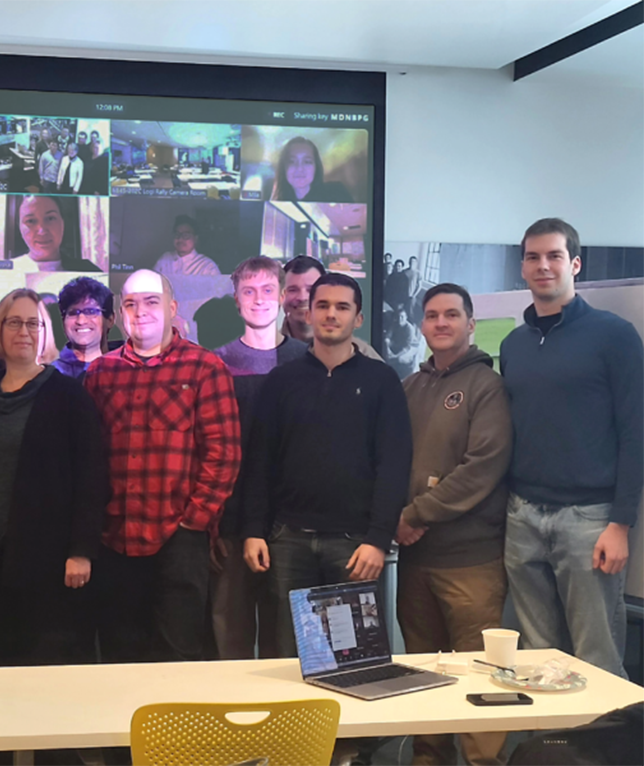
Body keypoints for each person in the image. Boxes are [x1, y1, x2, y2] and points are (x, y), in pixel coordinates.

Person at [501, 217, 644, 679]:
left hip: (590, 520)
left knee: (596, 662)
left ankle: (607, 752)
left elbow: (635, 430)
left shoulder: (614, 335)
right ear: (522, 267)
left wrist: (621, 523)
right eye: (533, 257)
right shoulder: (513, 344)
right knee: (539, 666)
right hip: (522, 516)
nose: (543, 266)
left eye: (554, 256)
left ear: (575, 264)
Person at [242, 272, 412, 658]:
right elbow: (259, 461)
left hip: (354, 545)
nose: (331, 314)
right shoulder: (281, 381)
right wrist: (253, 530)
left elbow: (394, 463)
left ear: (358, 318)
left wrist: (378, 538)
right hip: (288, 541)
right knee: (290, 654)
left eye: (342, 307)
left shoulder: (382, 381)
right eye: (322, 306)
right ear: (309, 312)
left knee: (355, 657)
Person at [84, 269, 241, 662]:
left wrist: (195, 520)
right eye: (131, 304)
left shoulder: (205, 368)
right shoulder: (100, 373)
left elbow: (224, 452)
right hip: (114, 538)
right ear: (119, 314)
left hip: (179, 537)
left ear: (171, 308)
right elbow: (87, 456)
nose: (141, 311)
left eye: (152, 301)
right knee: (120, 655)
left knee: (179, 655)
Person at [396, 283, 512, 766]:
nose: (440, 323)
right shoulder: (409, 387)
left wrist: (414, 514)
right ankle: (428, 757)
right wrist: (397, 521)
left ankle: (483, 762)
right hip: (415, 559)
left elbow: (483, 466)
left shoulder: (488, 386)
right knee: (425, 672)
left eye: (451, 315)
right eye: (431, 315)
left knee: (480, 677)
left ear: (471, 324)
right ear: (421, 326)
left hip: (471, 563)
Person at [0, 288, 108, 669]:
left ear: (46, 333)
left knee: (47, 665)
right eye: (15, 322)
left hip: (50, 562)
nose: (24, 331)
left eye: (34, 323)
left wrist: (81, 550)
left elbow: (91, 477)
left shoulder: (69, 396)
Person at [210, 257, 307, 660]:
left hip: (293, 525)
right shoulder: (215, 364)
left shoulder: (308, 362)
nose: (259, 299)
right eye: (248, 291)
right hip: (231, 522)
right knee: (228, 636)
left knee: (286, 643)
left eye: (268, 290)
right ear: (236, 301)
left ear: (283, 297)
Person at [280, 255, 382, 360]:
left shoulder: (366, 356)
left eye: (311, 290)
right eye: (292, 290)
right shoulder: (268, 350)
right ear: (281, 295)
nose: (302, 298)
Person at [11, 195, 101, 272]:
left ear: (62, 222)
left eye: (50, 218)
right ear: (19, 226)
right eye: (30, 221)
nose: (42, 231)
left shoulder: (87, 270)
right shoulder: (8, 271)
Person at [53, 276, 119, 379]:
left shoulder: (128, 367)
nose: (81, 321)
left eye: (91, 312)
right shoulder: (51, 374)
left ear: (110, 320)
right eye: (73, 313)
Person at [269, 136, 352, 203]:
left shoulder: (336, 192)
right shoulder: (276, 202)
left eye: (307, 162)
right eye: (292, 162)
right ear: (284, 167)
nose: (300, 168)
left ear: (316, 166)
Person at [154, 216, 221, 277]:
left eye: (185, 235)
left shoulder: (207, 266)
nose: (180, 239)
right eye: (177, 234)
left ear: (195, 238)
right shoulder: (164, 260)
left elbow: (218, 289)